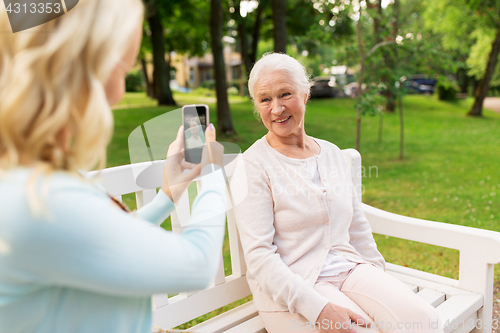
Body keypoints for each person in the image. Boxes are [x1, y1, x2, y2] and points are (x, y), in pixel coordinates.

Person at [0, 1, 226, 333]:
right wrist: (214, 173)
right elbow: (198, 264)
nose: (120, 93)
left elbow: (98, 235)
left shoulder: (28, 175)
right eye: (121, 70)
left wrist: (169, 194)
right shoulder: (41, 200)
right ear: (80, 67)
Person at [230, 53, 443, 333]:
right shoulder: (252, 165)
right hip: (292, 290)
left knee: (425, 321)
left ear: (305, 94)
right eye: (265, 99)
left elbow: (356, 226)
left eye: (285, 94)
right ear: (257, 106)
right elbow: (259, 257)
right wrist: (318, 309)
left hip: (347, 267)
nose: (277, 108)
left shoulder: (331, 153)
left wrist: (379, 279)